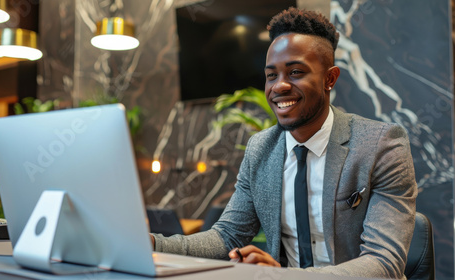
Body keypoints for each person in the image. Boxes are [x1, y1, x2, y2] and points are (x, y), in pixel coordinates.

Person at [151, 7, 417, 279]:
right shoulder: (260, 149)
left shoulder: (381, 145)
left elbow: (384, 262)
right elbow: (228, 236)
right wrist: (153, 244)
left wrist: (286, 277)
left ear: (330, 78)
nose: (279, 86)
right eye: (271, 75)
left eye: (296, 72)